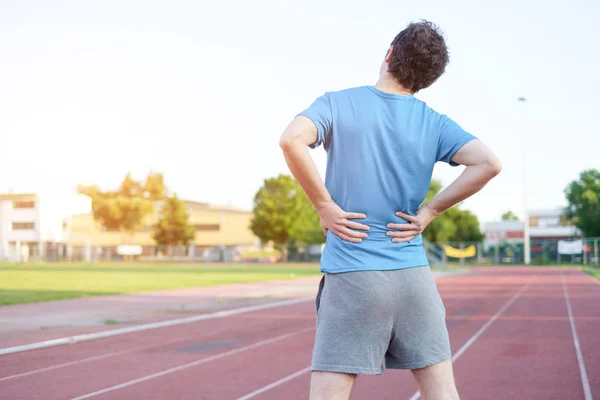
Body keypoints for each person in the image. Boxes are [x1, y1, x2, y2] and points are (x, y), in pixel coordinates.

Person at [279, 20, 501, 400]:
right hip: (414, 277)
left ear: (390, 54)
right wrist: (430, 211)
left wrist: (324, 205)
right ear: (427, 78)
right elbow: (488, 163)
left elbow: (291, 139)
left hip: (354, 274)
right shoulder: (434, 121)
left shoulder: (337, 102)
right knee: (442, 391)